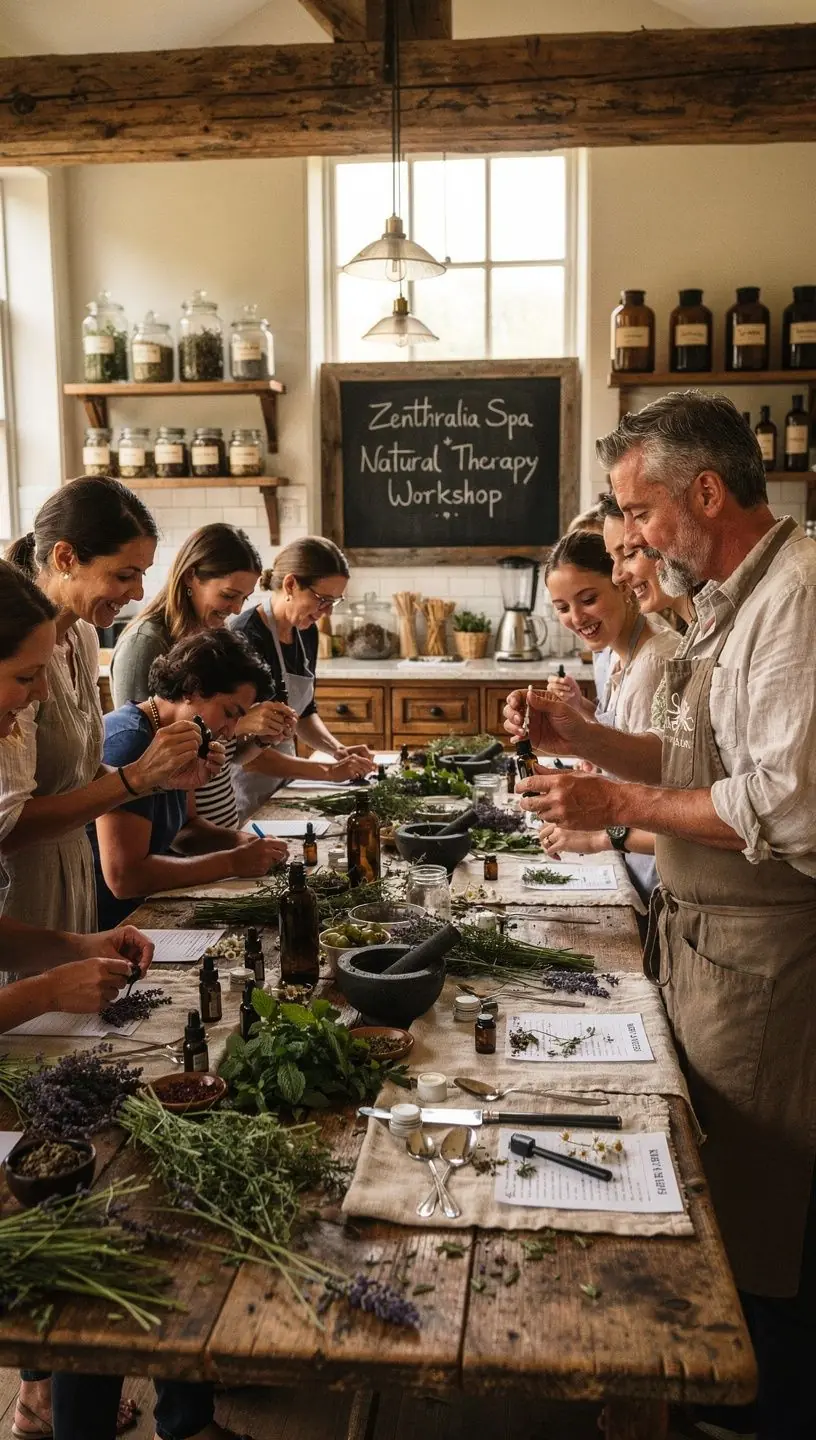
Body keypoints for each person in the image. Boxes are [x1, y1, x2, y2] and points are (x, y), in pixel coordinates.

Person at [504, 390, 816, 1440]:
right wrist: (581, 738)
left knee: (764, 1204)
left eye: (637, 516)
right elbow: (695, 761)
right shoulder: (734, 598)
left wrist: (623, 807)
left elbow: (788, 804)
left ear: (707, 492)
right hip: (708, 944)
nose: (629, 540)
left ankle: (753, 1412)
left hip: (769, 958)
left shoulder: (799, 596)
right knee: (714, 1182)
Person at [0, 479, 217, 934]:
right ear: (65, 559)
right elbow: (10, 826)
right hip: (21, 893)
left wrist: (157, 781)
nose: (138, 593)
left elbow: (75, 775)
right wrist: (133, 778)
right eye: (124, 574)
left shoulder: (81, 635)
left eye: (141, 574)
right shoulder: (14, 654)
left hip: (75, 874)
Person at [92, 629, 287, 926]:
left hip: (145, 909)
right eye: (229, 713)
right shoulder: (130, 741)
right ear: (192, 689)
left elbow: (185, 830)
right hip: (108, 923)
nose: (231, 731)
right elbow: (124, 878)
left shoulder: (184, 737)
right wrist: (233, 862)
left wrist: (240, 842)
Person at [111, 523, 297, 833]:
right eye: (229, 595)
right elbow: (139, 760)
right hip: (173, 843)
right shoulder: (145, 643)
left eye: (244, 598)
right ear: (190, 577)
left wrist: (260, 737)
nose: (237, 608)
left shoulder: (215, 638)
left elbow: (226, 757)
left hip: (212, 830)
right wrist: (242, 721)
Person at [537, 528, 678, 905]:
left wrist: (596, 835)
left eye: (588, 599)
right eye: (563, 607)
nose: (576, 617)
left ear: (621, 584)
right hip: (635, 864)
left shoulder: (656, 662)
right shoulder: (620, 654)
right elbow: (624, 765)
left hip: (660, 878)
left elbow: (667, 798)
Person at [230, 537, 373, 817]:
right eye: (323, 600)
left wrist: (338, 751)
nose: (328, 612)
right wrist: (329, 772)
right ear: (291, 584)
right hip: (247, 792)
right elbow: (247, 755)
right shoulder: (245, 636)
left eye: (335, 601)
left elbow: (303, 712)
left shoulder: (306, 631)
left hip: (286, 783)